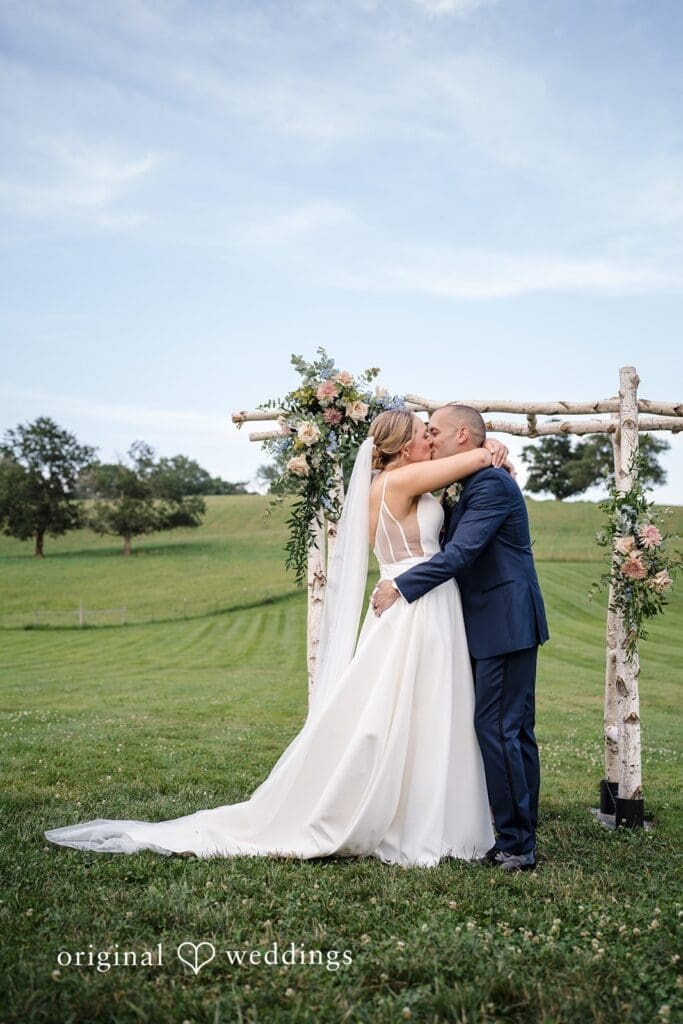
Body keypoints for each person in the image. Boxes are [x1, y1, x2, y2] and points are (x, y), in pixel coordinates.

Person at [44, 410, 507, 868]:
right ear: (404, 446)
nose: (431, 440)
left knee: (425, 707)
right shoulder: (394, 483)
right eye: (424, 435)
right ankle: (410, 817)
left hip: (419, 596)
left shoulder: (402, 481)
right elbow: (471, 462)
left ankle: (431, 811)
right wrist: (492, 448)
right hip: (414, 604)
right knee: (411, 706)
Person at [372, 405, 549, 872]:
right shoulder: (473, 481)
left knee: (499, 727)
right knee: (511, 727)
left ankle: (516, 843)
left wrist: (401, 585)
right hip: (494, 621)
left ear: (462, 435)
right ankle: (521, 828)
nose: (430, 439)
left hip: (504, 621)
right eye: (423, 433)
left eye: (435, 431)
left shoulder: (489, 482)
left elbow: (462, 551)